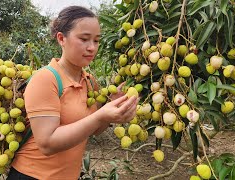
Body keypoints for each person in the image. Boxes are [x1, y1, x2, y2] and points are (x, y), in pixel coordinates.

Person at [8, 5, 139, 180]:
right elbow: (47, 143)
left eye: (96, 40)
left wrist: (111, 111)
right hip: (31, 175)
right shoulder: (46, 79)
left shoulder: (90, 82)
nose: (92, 47)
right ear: (61, 38)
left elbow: (94, 130)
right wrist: (100, 116)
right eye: (84, 39)